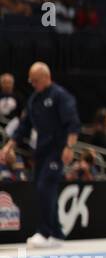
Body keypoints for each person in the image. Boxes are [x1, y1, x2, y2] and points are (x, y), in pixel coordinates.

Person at [0, 62, 80, 247]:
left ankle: (45, 232)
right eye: (31, 81)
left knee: (46, 187)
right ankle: (57, 233)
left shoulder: (60, 96)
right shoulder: (34, 99)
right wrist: (9, 146)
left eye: (35, 80)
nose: (32, 83)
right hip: (41, 151)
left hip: (58, 150)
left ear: (46, 77)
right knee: (42, 188)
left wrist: (69, 147)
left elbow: (73, 123)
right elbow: (24, 127)